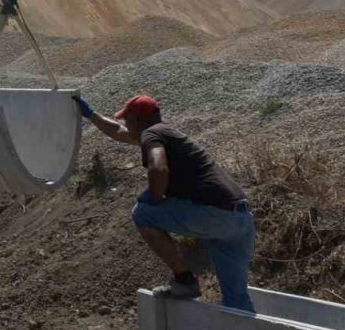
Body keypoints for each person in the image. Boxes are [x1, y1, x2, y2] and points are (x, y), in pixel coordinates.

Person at [73, 93, 256, 312]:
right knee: (236, 299)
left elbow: (158, 167)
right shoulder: (168, 133)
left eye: (127, 119)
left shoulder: (152, 134)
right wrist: (90, 114)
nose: (124, 124)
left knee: (143, 213)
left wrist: (155, 195)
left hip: (213, 214)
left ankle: (184, 280)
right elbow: (119, 133)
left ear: (138, 120)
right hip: (240, 218)